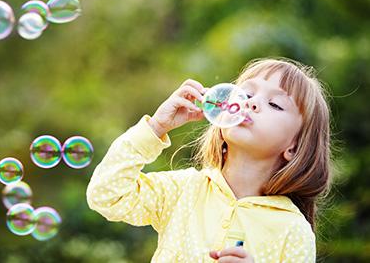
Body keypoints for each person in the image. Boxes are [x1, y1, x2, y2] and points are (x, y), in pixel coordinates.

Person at [86, 58, 333, 262]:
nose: (252, 103)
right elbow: (107, 195)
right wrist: (155, 127)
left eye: (275, 104)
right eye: (246, 93)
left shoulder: (292, 231)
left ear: (294, 147)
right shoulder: (183, 191)